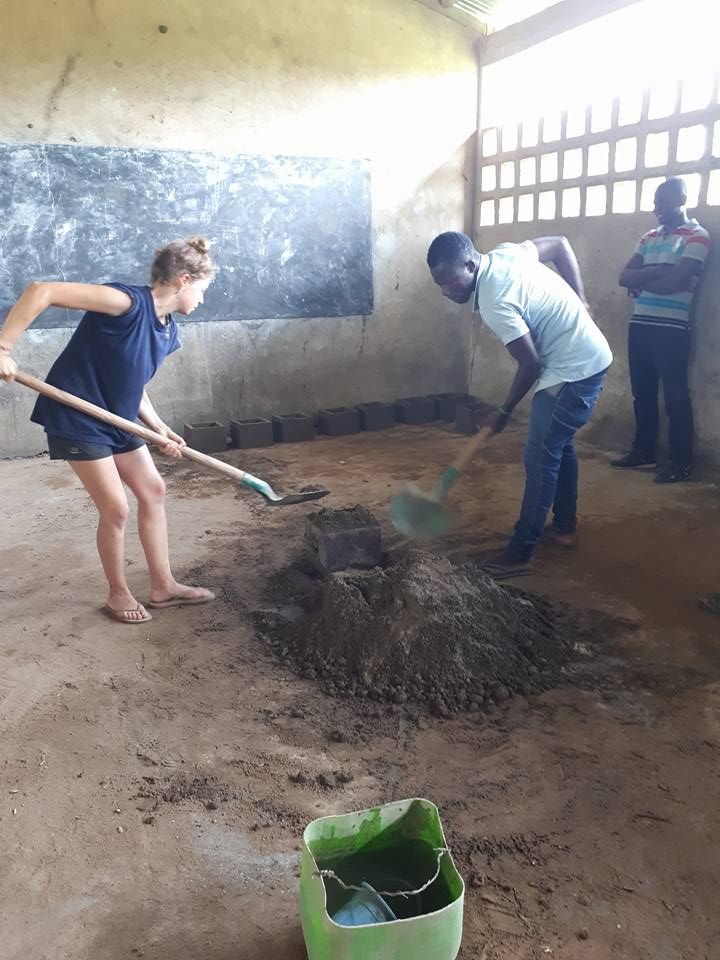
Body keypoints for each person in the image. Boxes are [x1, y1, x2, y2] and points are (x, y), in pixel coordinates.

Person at [0, 237, 217, 624]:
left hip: (115, 417)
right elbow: (42, 291)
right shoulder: (126, 303)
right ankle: (118, 594)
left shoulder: (167, 332)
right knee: (115, 507)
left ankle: (163, 585)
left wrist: (160, 428)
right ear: (184, 280)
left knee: (153, 489)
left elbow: (131, 385)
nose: (202, 299)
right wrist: (3, 347)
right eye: (202, 289)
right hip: (77, 417)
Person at [427, 231, 612, 578]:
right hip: (588, 358)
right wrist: (581, 300)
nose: (446, 291)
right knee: (558, 444)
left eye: (451, 281)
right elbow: (560, 244)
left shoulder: (495, 300)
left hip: (572, 371)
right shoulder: (505, 254)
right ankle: (564, 528)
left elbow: (531, 363)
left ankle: (521, 552)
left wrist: (502, 412)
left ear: (469, 264)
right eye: (440, 284)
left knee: (540, 456)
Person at [614, 177, 710, 483]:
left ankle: (680, 463)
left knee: (675, 397)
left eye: (662, 202)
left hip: (672, 329)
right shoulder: (649, 236)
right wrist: (657, 271)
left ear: (682, 200)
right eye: (655, 203)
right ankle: (643, 450)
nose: (656, 209)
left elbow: (676, 283)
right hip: (640, 325)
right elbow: (624, 277)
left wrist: (643, 280)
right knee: (642, 394)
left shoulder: (697, 236)